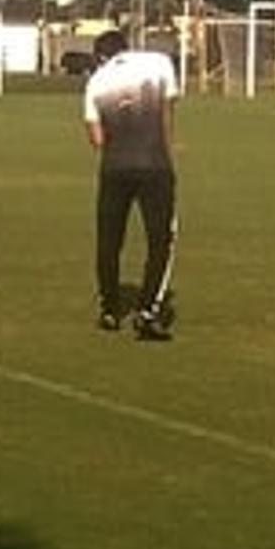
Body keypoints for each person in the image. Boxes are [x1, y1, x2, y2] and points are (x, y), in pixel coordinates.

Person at [82, 29, 180, 340]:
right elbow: (167, 112)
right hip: (154, 165)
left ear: (100, 56)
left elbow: (97, 138)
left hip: (114, 168)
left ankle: (110, 310)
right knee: (160, 239)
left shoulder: (96, 82)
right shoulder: (159, 62)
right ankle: (148, 310)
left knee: (109, 239)